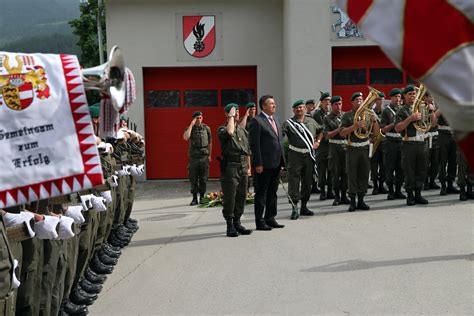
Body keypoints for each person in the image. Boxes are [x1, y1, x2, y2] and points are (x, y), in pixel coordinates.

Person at [394, 85, 436, 205]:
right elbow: (397, 128)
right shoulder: (402, 110)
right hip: (409, 143)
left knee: (422, 169)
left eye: (414, 94)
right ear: (405, 96)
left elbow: (433, 124)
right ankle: (410, 195)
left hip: (422, 142)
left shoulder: (423, 106)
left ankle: (418, 194)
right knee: (409, 170)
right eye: (410, 94)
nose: (413, 96)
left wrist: (432, 110)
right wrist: (410, 119)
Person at [249, 95, 285, 230]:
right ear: (263, 106)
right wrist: (257, 163)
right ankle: (260, 221)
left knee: (273, 193)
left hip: (276, 163)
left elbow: (279, 141)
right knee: (261, 193)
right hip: (263, 165)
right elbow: (255, 144)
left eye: (274, 103)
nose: (274, 106)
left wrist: (282, 161)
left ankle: (270, 218)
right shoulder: (257, 121)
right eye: (271, 104)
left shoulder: (276, 119)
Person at [217, 103, 252, 237]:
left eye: (237, 111)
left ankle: (237, 222)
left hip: (243, 165)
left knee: (241, 195)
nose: (237, 113)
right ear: (227, 114)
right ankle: (230, 225)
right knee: (230, 197)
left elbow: (247, 150)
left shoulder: (242, 130)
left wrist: (248, 167)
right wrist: (231, 117)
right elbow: (230, 132)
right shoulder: (222, 129)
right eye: (233, 112)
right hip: (230, 167)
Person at [282, 99, 320, 219]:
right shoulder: (288, 123)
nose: (299, 109)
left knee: (307, 181)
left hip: (308, 156)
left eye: (301, 107)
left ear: (304, 109)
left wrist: (318, 141)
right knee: (294, 182)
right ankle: (294, 208)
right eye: (297, 108)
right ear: (293, 110)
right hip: (295, 155)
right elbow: (279, 136)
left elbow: (321, 131)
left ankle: (304, 206)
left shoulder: (312, 121)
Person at [340, 92, 378, 212]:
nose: (360, 101)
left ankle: (361, 200)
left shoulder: (368, 114)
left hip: (364, 147)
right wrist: (354, 126)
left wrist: (375, 120)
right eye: (356, 99)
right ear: (352, 102)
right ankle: (352, 201)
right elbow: (342, 133)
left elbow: (376, 133)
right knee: (352, 174)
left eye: (361, 99)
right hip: (352, 148)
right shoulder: (347, 115)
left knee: (364, 174)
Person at [380, 88, 406, 200]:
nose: (398, 99)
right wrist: (393, 124)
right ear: (391, 98)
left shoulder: (403, 109)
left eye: (399, 97)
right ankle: (390, 191)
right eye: (395, 97)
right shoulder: (386, 111)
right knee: (390, 167)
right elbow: (383, 130)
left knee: (401, 167)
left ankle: (398, 190)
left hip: (401, 141)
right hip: (390, 141)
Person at [324, 96, 350, 206]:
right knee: (335, 173)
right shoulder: (327, 118)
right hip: (334, 148)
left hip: (345, 147)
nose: (338, 106)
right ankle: (337, 196)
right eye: (336, 104)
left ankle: (344, 195)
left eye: (340, 104)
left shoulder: (346, 116)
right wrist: (338, 129)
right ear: (332, 105)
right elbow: (327, 135)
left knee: (345, 172)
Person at [183, 111, 212, 205]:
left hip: (204, 157)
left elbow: (210, 142)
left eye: (200, 117)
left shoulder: (206, 128)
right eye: (197, 118)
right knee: (193, 178)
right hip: (194, 158)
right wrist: (191, 124)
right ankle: (194, 198)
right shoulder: (190, 128)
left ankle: (202, 197)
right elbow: (186, 137)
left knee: (204, 178)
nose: (199, 120)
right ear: (194, 119)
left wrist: (210, 155)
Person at [313, 92, 334, 200]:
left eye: (329, 100)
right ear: (321, 102)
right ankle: (322, 191)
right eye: (326, 100)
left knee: (331, 169)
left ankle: (330, 190)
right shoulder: (317, 114)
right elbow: (318, 129)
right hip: (322, 145)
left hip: (331, 144)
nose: (328, 102)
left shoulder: (332, 113)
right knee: (321, 169)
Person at [437, 113, 460, 195]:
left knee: (453, 161)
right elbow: (434, 117)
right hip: (443, 134)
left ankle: (450, 185)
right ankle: (443, 185)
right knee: (442, 161)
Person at [370, 92, 387, 195]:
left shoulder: (386, 112)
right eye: (378, 100)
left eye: (382, 100)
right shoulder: (371, 113)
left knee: (383, 164)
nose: (380, 102)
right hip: (375, 141)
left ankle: (382, 185)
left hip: (384, 141)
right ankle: (375, 185)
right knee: (374, 165)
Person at [422, 92, 440, 190]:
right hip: (425, 136)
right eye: (429, 96)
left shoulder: (434, 106)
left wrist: (433, 110)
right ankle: (425, 181)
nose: (431, 98)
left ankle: (432, 180)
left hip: (435, 136)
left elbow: (436, 123)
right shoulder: (421, 107)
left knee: (435, 160)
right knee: (425, 161)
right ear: (425, 97)